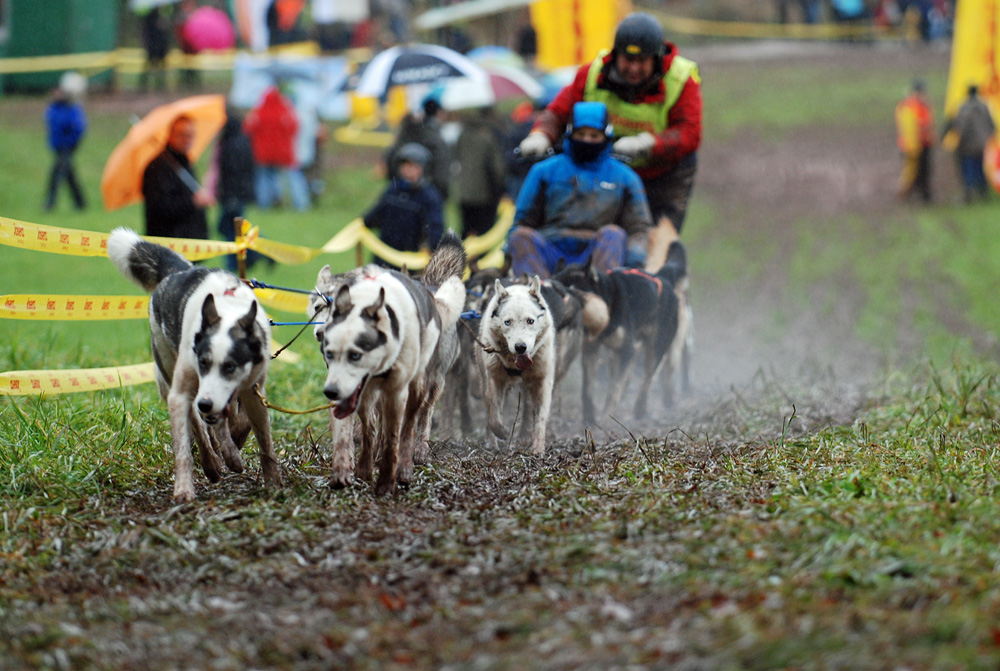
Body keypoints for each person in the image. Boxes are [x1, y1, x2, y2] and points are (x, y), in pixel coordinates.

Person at [518, 12, 700, 271]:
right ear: (615, 55)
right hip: (607, 170)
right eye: (627, 60)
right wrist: (540, 135)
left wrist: (647, 143)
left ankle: (659, 293)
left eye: (642, 61)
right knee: (606, 235)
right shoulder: (591, 74)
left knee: (655, 248)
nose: (634, 69)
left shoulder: (681, 80)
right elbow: (558, 112)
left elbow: (690, 132)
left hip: (664, 176)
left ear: (657, 59)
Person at [507, 101, 652, 280]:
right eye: (581, 134)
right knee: (520, 236)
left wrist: (635, 265)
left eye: (594, 135)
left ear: (606, 137)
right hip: (550, 252)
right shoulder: (545, 171)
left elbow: (639, 228)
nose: (587, 140)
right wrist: (509, 254)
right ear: (570, 133)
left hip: (597, 255)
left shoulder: (624, 177)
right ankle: (540, 294)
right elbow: (522, 221)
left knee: (614, 234)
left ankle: (599, 297)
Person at [363, 142, 444, 270]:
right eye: (405, 166)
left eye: (413, 166)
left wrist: (431, 248)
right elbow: (376, 214)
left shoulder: (430, 197)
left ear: (423, 169)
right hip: (383, 258)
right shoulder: (393, 190)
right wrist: (360, 224)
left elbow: (435, 228)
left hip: (410, 263)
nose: (408, 170)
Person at [142, 115, 215, 239]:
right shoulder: (158, 168)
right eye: (181, 134)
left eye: (190, 135)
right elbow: (160, 208)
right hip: (170, 243)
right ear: (170, 135)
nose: (186, 140)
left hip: (191, 243)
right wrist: (192, 202)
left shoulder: (185, 163)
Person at [206, 108, 259, 271]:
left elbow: (230, 172)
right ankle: (252, 255)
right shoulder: (243, 140)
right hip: (240, 193)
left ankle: (239, 260)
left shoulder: (230, 144)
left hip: (232, 195)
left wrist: (222, 192)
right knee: (234, 227)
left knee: (229, 228)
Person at [243, 85, 311, 211]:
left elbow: (247, 129)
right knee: (293, 177)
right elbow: (294, 128)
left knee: (264, 179)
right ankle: (301, 205)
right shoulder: (284, 110)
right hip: (283, 153)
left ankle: (264, 205)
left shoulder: (259, 112)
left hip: (263, 153)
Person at [384, 97, 451, 201]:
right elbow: (442, 170)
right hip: (428, 195)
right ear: (438, 113)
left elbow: (391, 160)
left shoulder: (407, 131)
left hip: (401, 194)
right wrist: (442, 193)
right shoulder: (434, 138)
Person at [455, 107, 507, 238]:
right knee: (484, 232)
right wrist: (501, 188)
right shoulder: (488, 138)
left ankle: (463, 257)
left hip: (464, 193)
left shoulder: (462, 136)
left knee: (466, 230)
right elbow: (497, 168)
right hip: (484, 194)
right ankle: (481, 258)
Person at [43, 72, 87, 212]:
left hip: (67, 147)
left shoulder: (72, 109)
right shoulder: (54, 108)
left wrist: (70, 142)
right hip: (58, 146)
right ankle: (80, 203)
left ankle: (50, 203)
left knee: (56, 174)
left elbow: (78, 128)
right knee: (69, 175)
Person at [945, 84, 995, 202]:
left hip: (969, 147)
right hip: (983, 145)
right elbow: (992, 125)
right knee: (982, 170)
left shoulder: (964, 107)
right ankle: (983, 193)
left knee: (968, 170)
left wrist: (958, 143)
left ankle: (968, 194)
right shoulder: (984, 106)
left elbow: (961, 126)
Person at [895, 78, 935, 203]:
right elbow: (914, 126)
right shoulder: (911, 106)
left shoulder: (918, 105)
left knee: (920, 171)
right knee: (913, 172)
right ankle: (909, 195)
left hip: (921, 144)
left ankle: (920, 195)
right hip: (913, 145)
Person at [138, 6, 170, 93]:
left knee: (158, 67)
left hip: (157, 46)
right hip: (154, 46)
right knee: (152, 66)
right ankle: (145, 85)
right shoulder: (151, 18)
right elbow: (147, 33)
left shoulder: (162, 17)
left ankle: (158, 85)